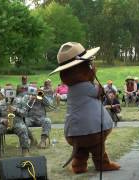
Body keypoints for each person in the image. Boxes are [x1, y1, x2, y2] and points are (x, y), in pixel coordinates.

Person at [49, 42, 120, 174]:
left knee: (80, 150)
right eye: (89, 64)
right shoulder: (84, 86)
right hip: (91, 130)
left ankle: (78, 166)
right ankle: (102, 163)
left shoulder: (72, 87)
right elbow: (98, 92)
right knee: (98, 146)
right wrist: (95, 78)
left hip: (74, 131)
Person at [0, 84, 29, 159]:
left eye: (11, 90)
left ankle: (25, 151)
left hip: (17, 123)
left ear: (14, 91)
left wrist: (16, 110)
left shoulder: (21, 101)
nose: (9, 92)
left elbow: (25, 113)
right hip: (4, 124)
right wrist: (2, 120)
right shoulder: (0, 103)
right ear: (4, 92)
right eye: (7, 90)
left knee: (23, 128)